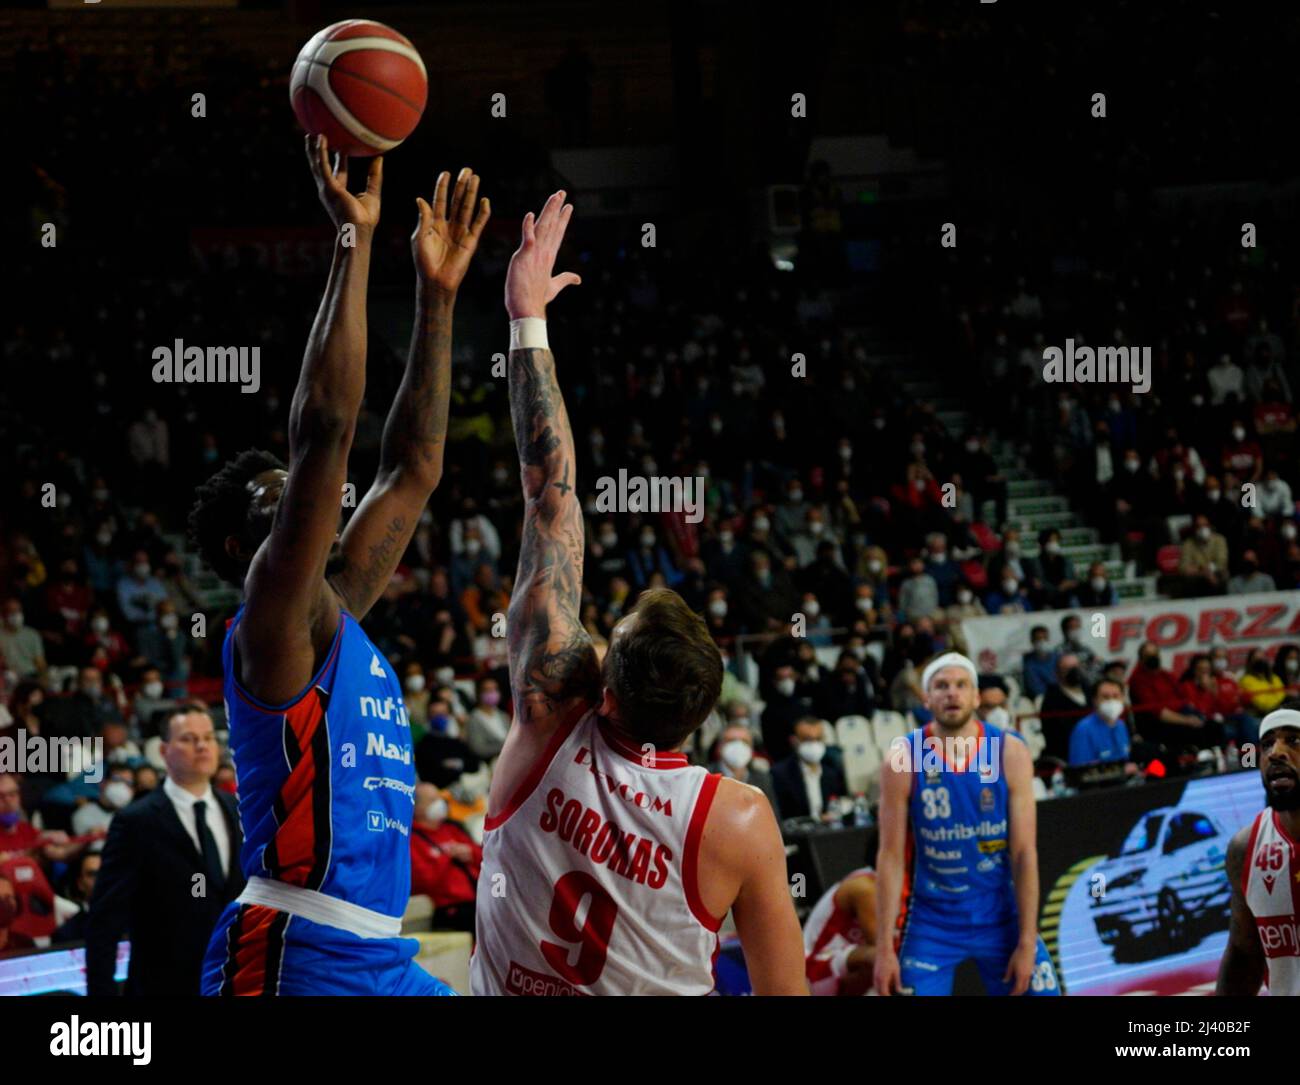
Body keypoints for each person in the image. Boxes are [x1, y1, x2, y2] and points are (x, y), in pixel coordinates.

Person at [470, 191, 806, 995]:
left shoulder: (549, 708)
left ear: (604, 686)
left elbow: (550, 490)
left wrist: (527, 320)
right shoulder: (738, 819)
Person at [189, 142, 489, 996]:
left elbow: (414, 468)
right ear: (240, 552)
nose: (305, 503)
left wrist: (437, 297)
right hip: (294, 947)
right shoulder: (272, 617)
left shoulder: (335, 611)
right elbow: (327, 426)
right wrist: (353, 241)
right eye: (275, 503)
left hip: (376, 952)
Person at [875, 653, 1058, 997]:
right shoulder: (902, 757)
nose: (951, 693)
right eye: (941, 686)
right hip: (931, 921)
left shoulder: (1009, 751)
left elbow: (1023, 854)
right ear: (926, 698)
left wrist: (1027, 939)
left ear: (976, 697)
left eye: (961, 685)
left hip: (1002, 915)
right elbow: (890, 857)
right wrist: (884, 948)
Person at [85, 708, 243, 995]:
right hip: (163, 985)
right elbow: (105, 919)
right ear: (163, 750)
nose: (202, 746)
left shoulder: (238, 809)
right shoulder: (135, 821)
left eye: (208, 737)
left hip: (234, 981)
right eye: (188, 738)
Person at [1216, 708, 1300, 995]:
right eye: (1266, 745)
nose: (1276, 753)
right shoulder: (1245, 848)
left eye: (1294, 741)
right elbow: (1244, 955)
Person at [409, 782, 481, 933]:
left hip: (479, 900)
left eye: (439, 798)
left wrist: (470, 853)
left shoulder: (452, 828)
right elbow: (421, 881)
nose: (440, 804)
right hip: (451, 909)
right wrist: (446, 856)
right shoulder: (412, 839)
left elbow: (486, 858)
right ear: (417, 807)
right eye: (432, 800)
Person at [804, 867, 877, 996]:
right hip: (812, 976)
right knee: (883, 958)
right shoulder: (865, 887)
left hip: (837, 971)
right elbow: (884, 952)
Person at [771, 718, 849, 821]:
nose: (814, 744)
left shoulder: (831, 772)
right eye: (807, 739)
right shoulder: (779, 774)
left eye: (818, 739)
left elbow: (840, 803)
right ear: (794, 741)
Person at [708, 724, 779, 817]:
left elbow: (774, 820)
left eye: (745, 742)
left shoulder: (763, 780)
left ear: (752, 750)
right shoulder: (706, 776)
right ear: (719, 747)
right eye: (730, 741)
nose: (738, 746)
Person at [1039, 653, 1091, 762]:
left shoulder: (1089, 691)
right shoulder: (1052, 698)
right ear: (1057, 673)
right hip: (1068, 753)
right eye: (1068, 669)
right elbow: (1055, 735)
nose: (1074, 672)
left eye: (1076, 667)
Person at [1068, 679, 1131, 765]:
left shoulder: (1121, 725)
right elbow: (1080, 769)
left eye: (1116, 696)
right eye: (1105, 697)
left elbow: (1125, 757)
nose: (1111, 701)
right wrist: (1122, 770)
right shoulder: (1083, 729)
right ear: (1095, 700)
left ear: (1122, 698)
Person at [1020, 625, 1056, 700]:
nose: (1042, 642)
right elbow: (1036, 689)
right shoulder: (1029, 664)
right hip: (1044, 699)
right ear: (1032, 641)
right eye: (1038, 639)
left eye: (1045, 638)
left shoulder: (1057, 658)